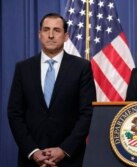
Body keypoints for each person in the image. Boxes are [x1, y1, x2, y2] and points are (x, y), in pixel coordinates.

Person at [8, 13, 96, 167]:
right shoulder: (23, 68)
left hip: (69, 159)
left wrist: (64, 149)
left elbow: (87, 113)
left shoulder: (81, 67)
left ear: (66, 36)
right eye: (46, 30)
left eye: (56, 30)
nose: (50, 35)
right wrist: (33, 151)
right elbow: (15, 113)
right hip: (31, 160)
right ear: (39, 34)